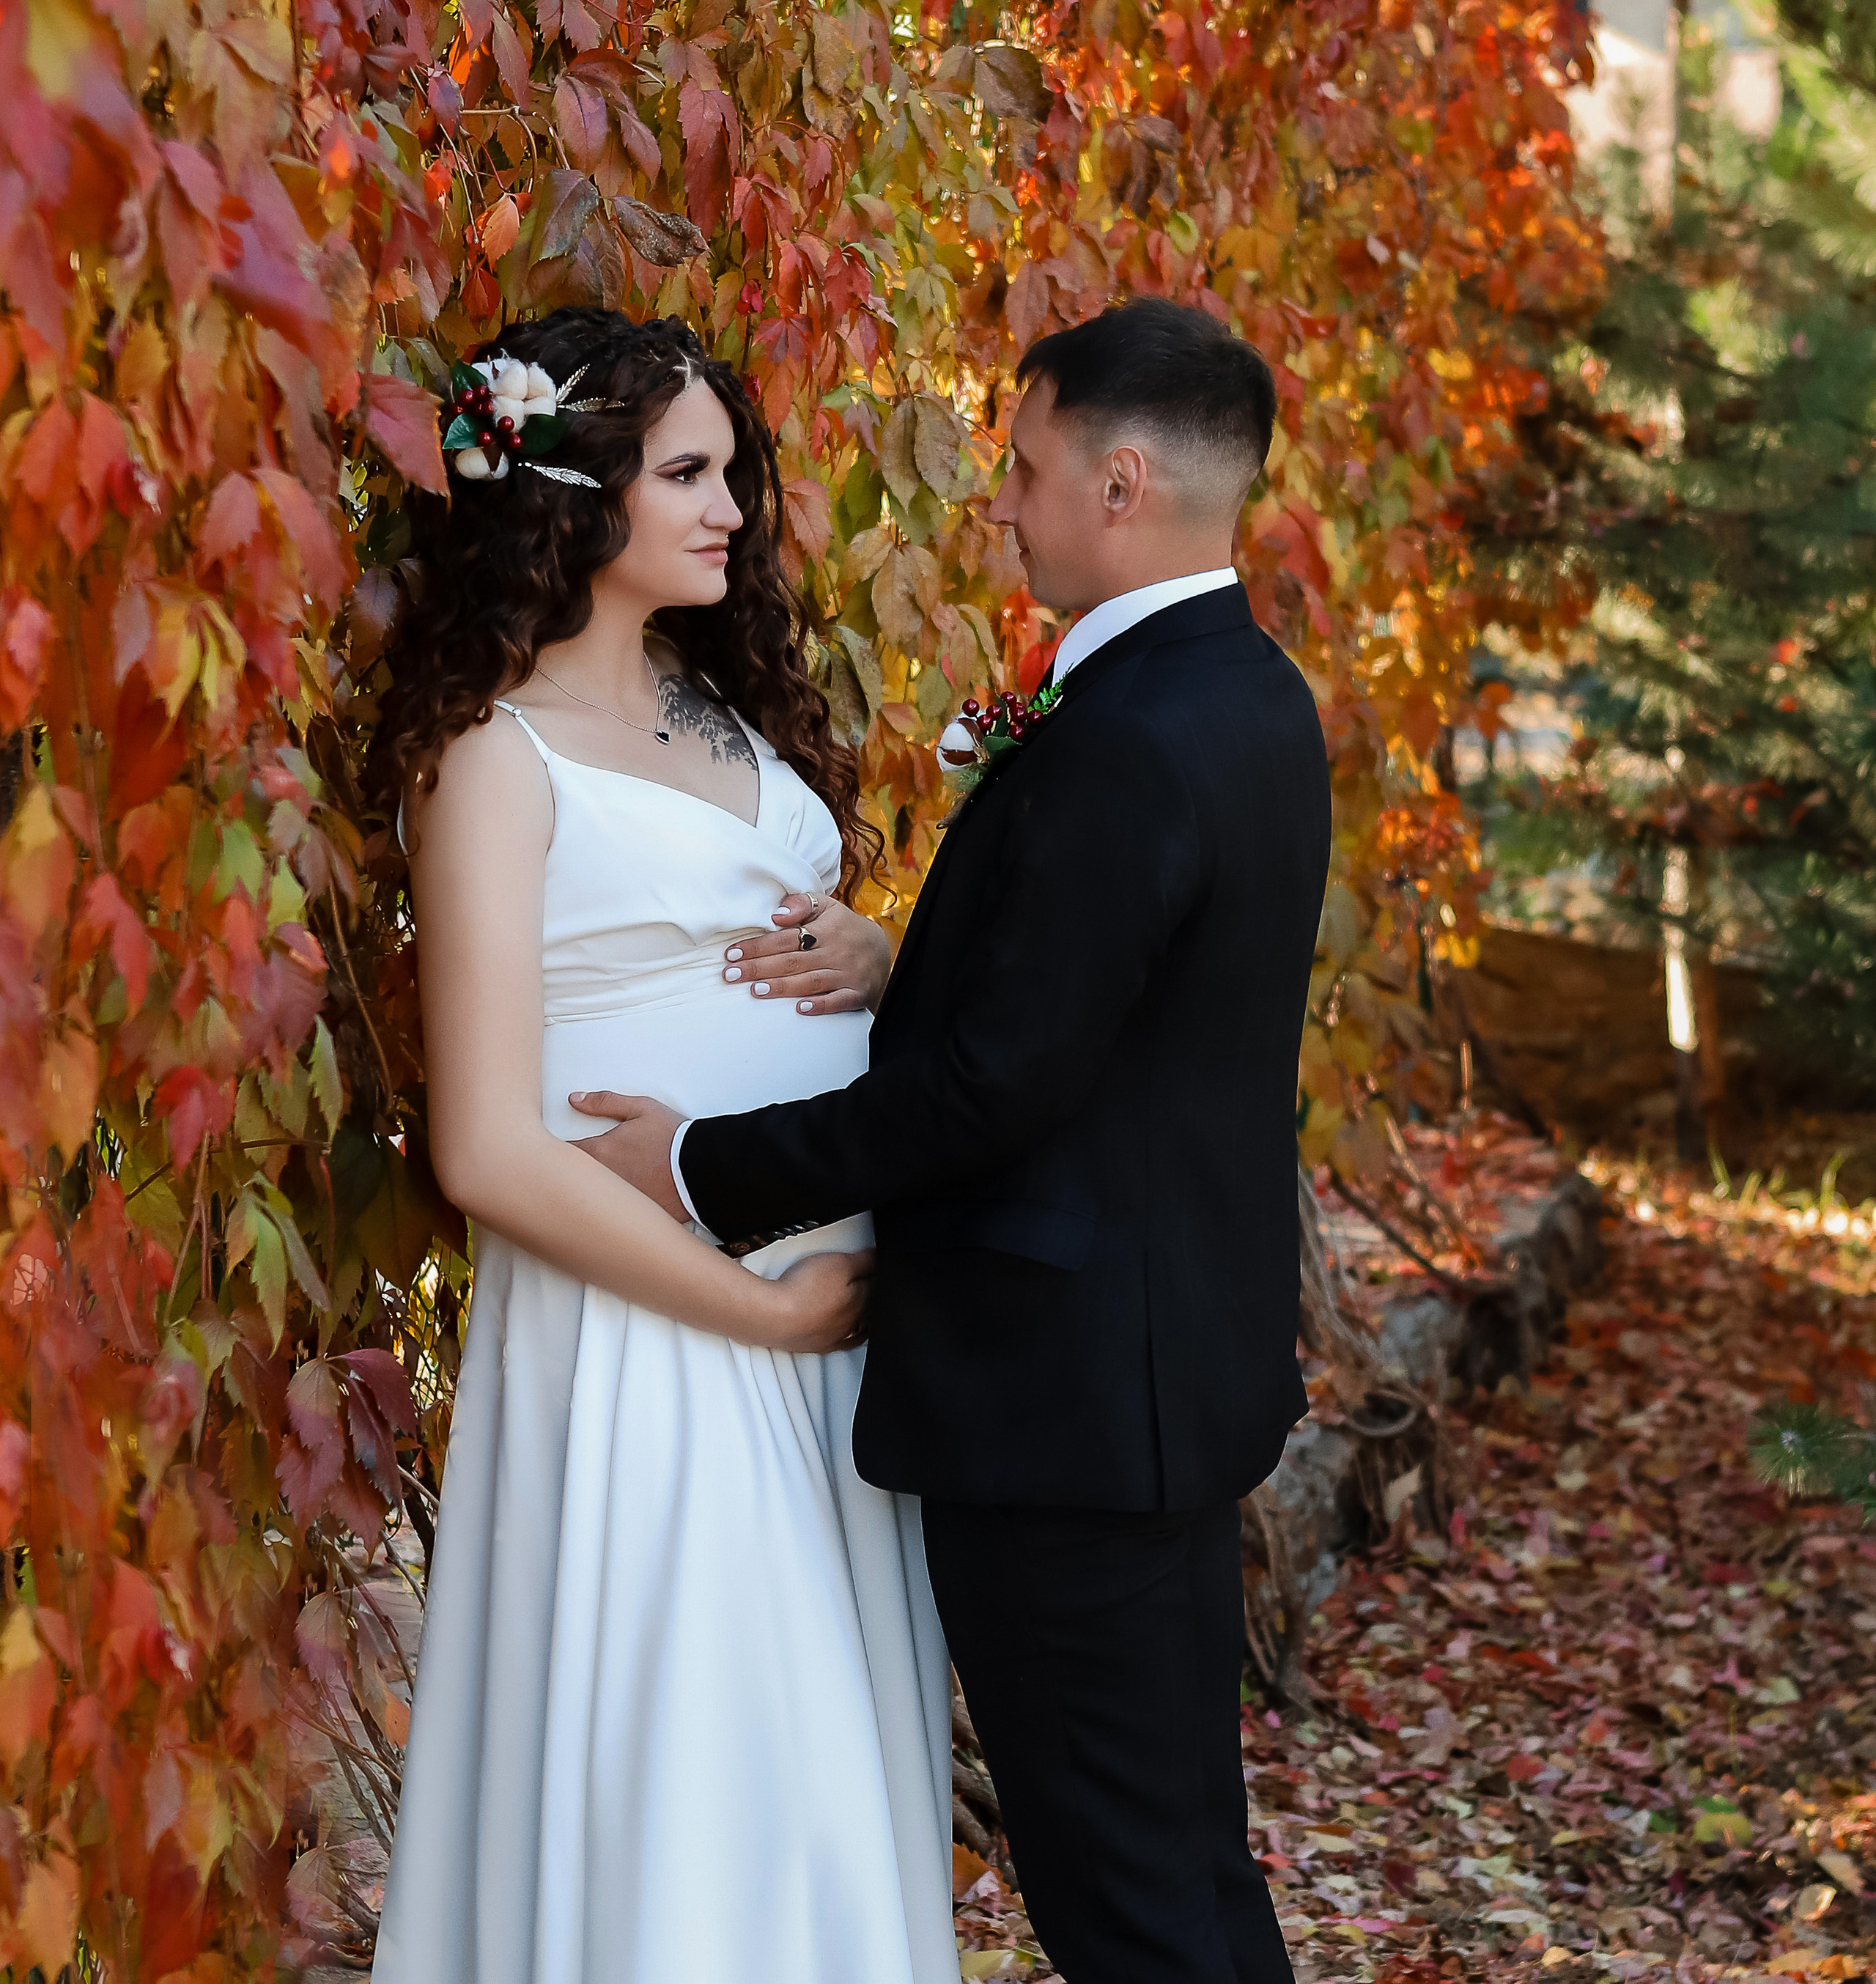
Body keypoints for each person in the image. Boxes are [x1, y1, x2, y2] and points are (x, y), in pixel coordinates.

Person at [575, 295, 1333, 1984]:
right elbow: (1125, 1010)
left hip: (1063, 1415)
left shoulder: (1124, 740)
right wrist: (906, 965)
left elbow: (997, 1089)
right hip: (1158, 1382)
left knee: (1129, 1907)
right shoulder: (1246, 699)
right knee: (1182, 1876)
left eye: (1024, 462)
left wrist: (703, 1166)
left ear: (1119, 482)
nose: (997, 498)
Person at [366, 307, 957, 1984]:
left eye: (729, 474)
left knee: (826, 1775)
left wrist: (877, 956)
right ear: (571, 489)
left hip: (812, 1326)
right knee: (707, 1783)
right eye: (687, 474)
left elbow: (762, 953)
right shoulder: (491, 754)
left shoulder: (725, 716)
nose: (730, 511)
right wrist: (750, 1311)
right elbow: (485, 1145)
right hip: (651, 1333)